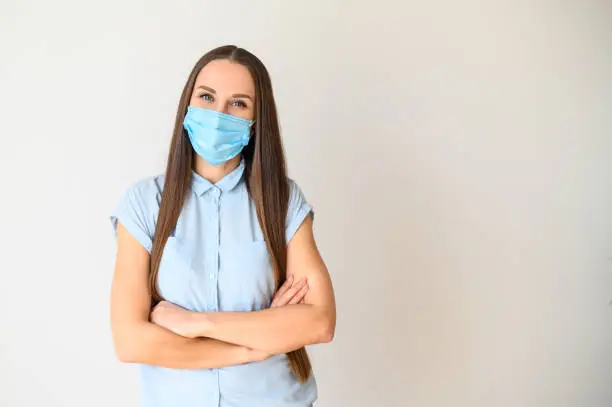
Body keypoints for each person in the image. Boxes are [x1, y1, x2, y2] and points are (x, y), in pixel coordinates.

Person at [109, 45, 336, 407]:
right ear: (188, 104)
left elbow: (319, 322)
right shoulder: (145, 202)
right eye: (207, 97)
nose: (219, 114)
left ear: (255, 121)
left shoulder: (283, 201)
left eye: (238, 103)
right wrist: (253, 345)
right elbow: (131, 341)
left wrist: (199, 325)